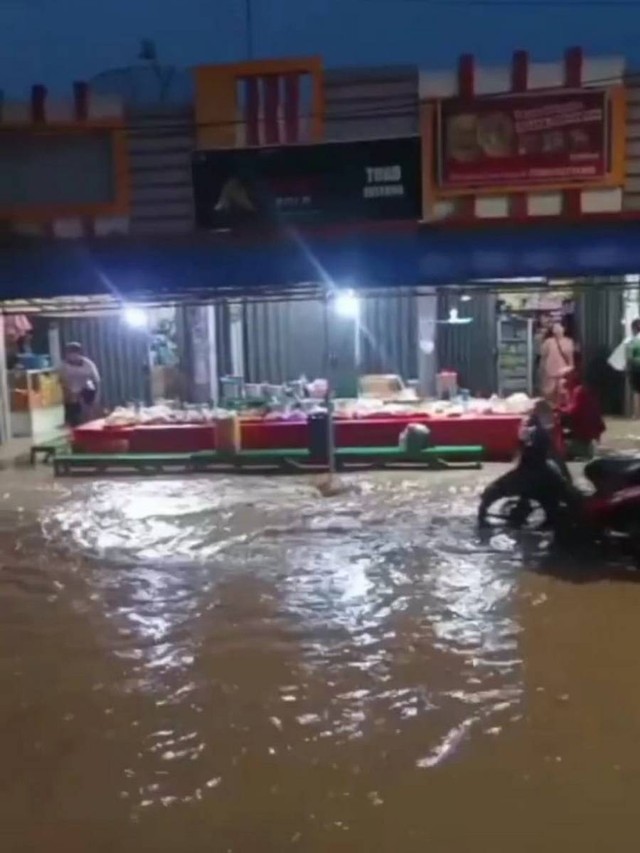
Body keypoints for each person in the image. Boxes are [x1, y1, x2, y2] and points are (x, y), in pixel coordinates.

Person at [478, 400, 581, 528]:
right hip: (539, 472)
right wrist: (567, 480)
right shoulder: (539, 433)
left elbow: (522, 451)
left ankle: (482, 519)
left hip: (529, 472)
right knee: (564, 498)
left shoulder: (533, 432)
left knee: (490, 492)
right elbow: (555, 456)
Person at [559, 370, 605, 457]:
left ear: (573, 378)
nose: (562, 381)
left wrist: (560, 411)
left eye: (565, 377)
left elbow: (573, 411)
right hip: (585, 435)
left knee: (558, 450)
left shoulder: (579, 391)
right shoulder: (572, 392)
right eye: (561, 378)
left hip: (585, 438)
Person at [59, 342, 100, 428]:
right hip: (70, 394)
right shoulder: (63, 366)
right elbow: (60, 381)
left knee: (87, 414)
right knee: (74, 417)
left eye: (75, 352)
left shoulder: (88, 364)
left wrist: (97, 396)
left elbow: (96, 380)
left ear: (80, 353)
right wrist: (69, 393)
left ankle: (89, 428)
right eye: (70, 353)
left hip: (86, 390)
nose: (72, 355)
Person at [539, 321, 575, 405]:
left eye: (559, 327)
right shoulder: (568, 342)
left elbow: (543, 358)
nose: (558, 329)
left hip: (558, 373)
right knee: (556, 395)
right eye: (556, 327)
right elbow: (571, 359)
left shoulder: (548, 342)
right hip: (559, 373)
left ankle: (556, 412)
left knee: (556, 396)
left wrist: (541, 371)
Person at [626, 318, 640, 419]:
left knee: (636, 392)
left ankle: (637, 414)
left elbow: (631, 357)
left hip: (636, 368)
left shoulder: (632, 341)